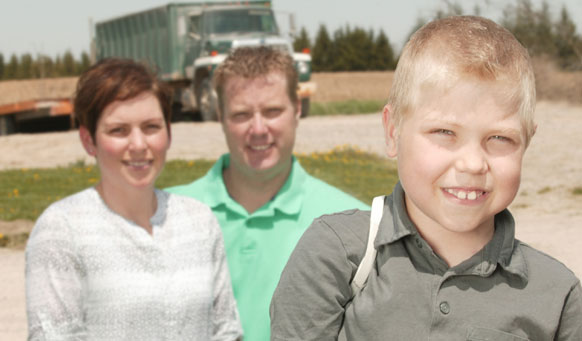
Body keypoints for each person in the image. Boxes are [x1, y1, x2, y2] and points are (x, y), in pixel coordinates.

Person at [270, 16, 582, 340]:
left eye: (500, 138)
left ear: (527, 142)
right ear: (393, 132)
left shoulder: (558, 295)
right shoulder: (335, 253)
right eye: (445, 132)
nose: (473, 163)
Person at [25, 58, 242, 340]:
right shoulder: (61, 230)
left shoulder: (199, 221)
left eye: (151, 127)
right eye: (119, 130)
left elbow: (226, 329)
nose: (139, 145)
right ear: (88, 140)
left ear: (169, 132)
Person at [166, 47, 368, 340]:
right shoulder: (164, 214)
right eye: (241, 114)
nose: (258, 129)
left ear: (297, 109)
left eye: (272, 111)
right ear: (220, 115)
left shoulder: (355, 224)